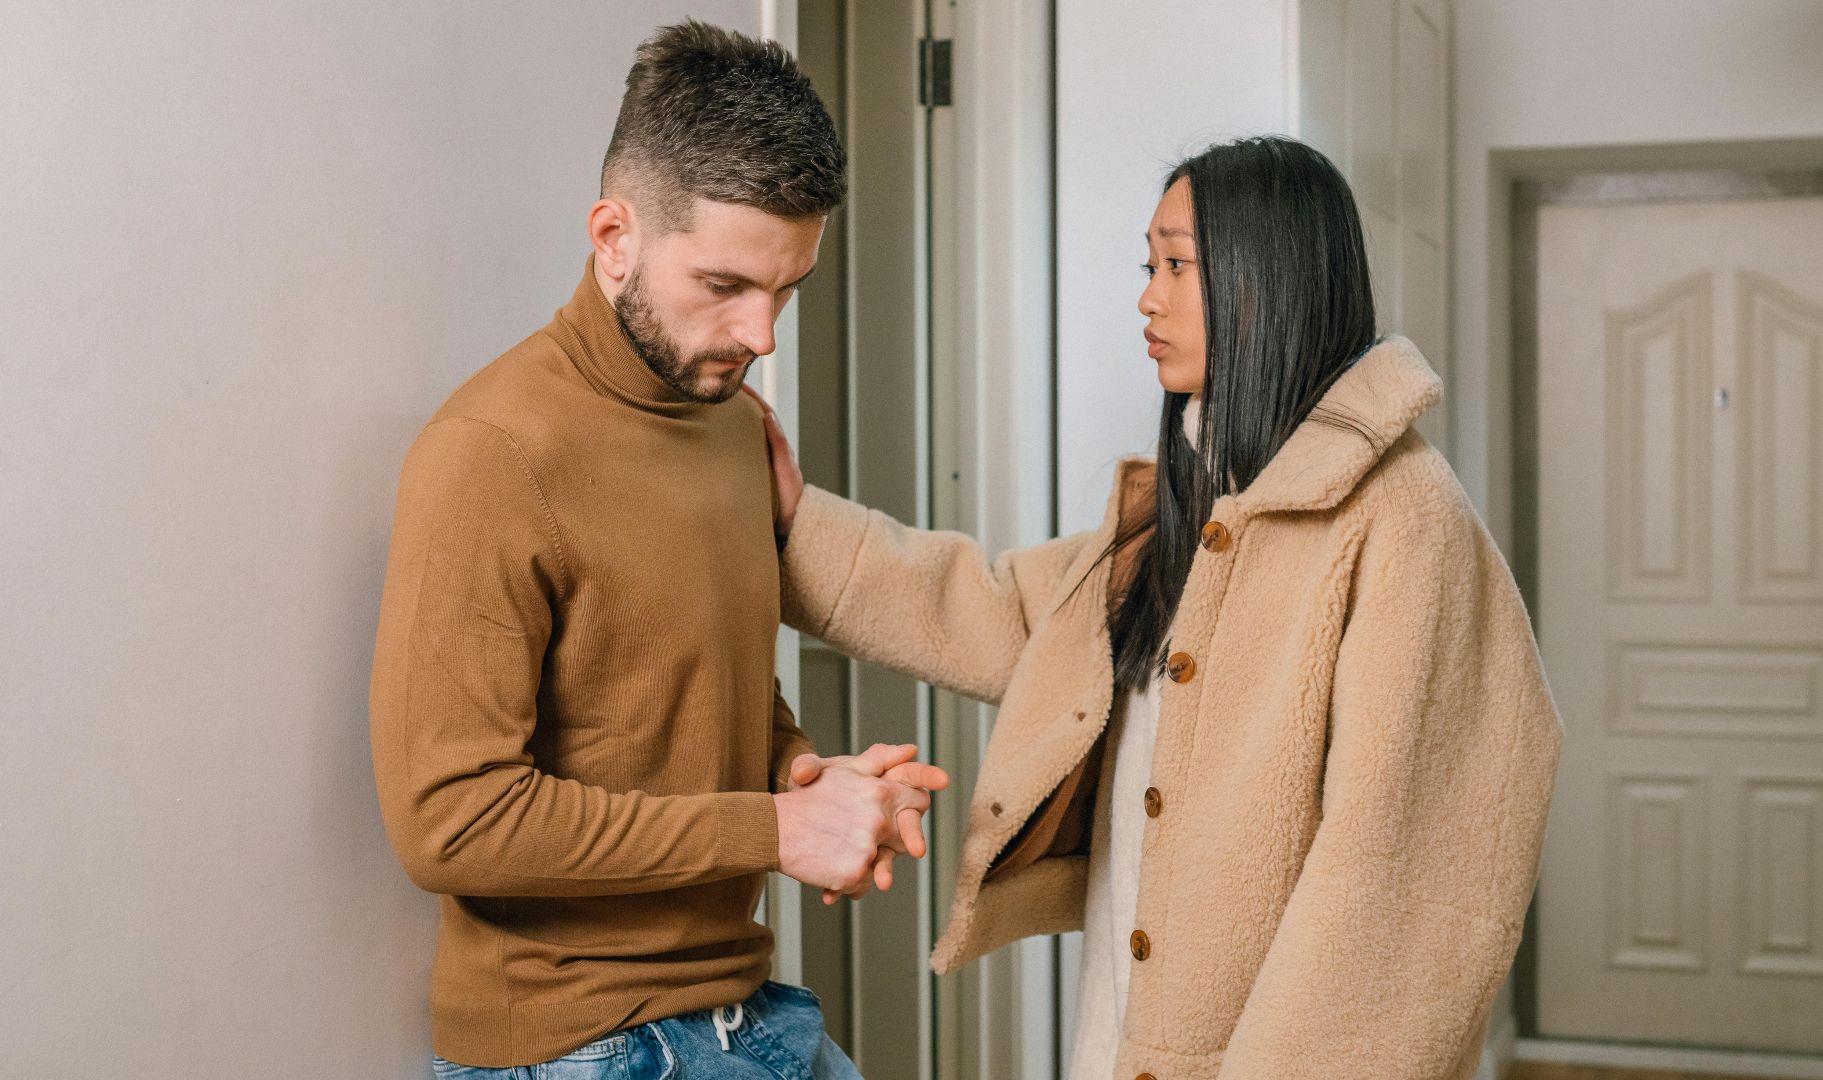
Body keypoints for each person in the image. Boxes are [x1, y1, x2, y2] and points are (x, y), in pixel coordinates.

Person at [758, 136, 1563, 1079]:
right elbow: (1003, 611)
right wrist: (789, 524)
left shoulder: (1405, 520)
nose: (1149, 296)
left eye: (1178, 265)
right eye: (1153, 265)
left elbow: (1400, 887)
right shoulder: (1196, 506)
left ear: (1272, 278)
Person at [368, 21, 942, 1079]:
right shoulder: (492, 456)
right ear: (614, 236)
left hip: (748, 1015)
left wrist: (807, 777)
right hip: (582, 1045)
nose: (763, 336)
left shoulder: (730, 420)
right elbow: (449, 824)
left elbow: (697, 682)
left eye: (788, 289)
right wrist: (773, 830)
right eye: (726, 287)